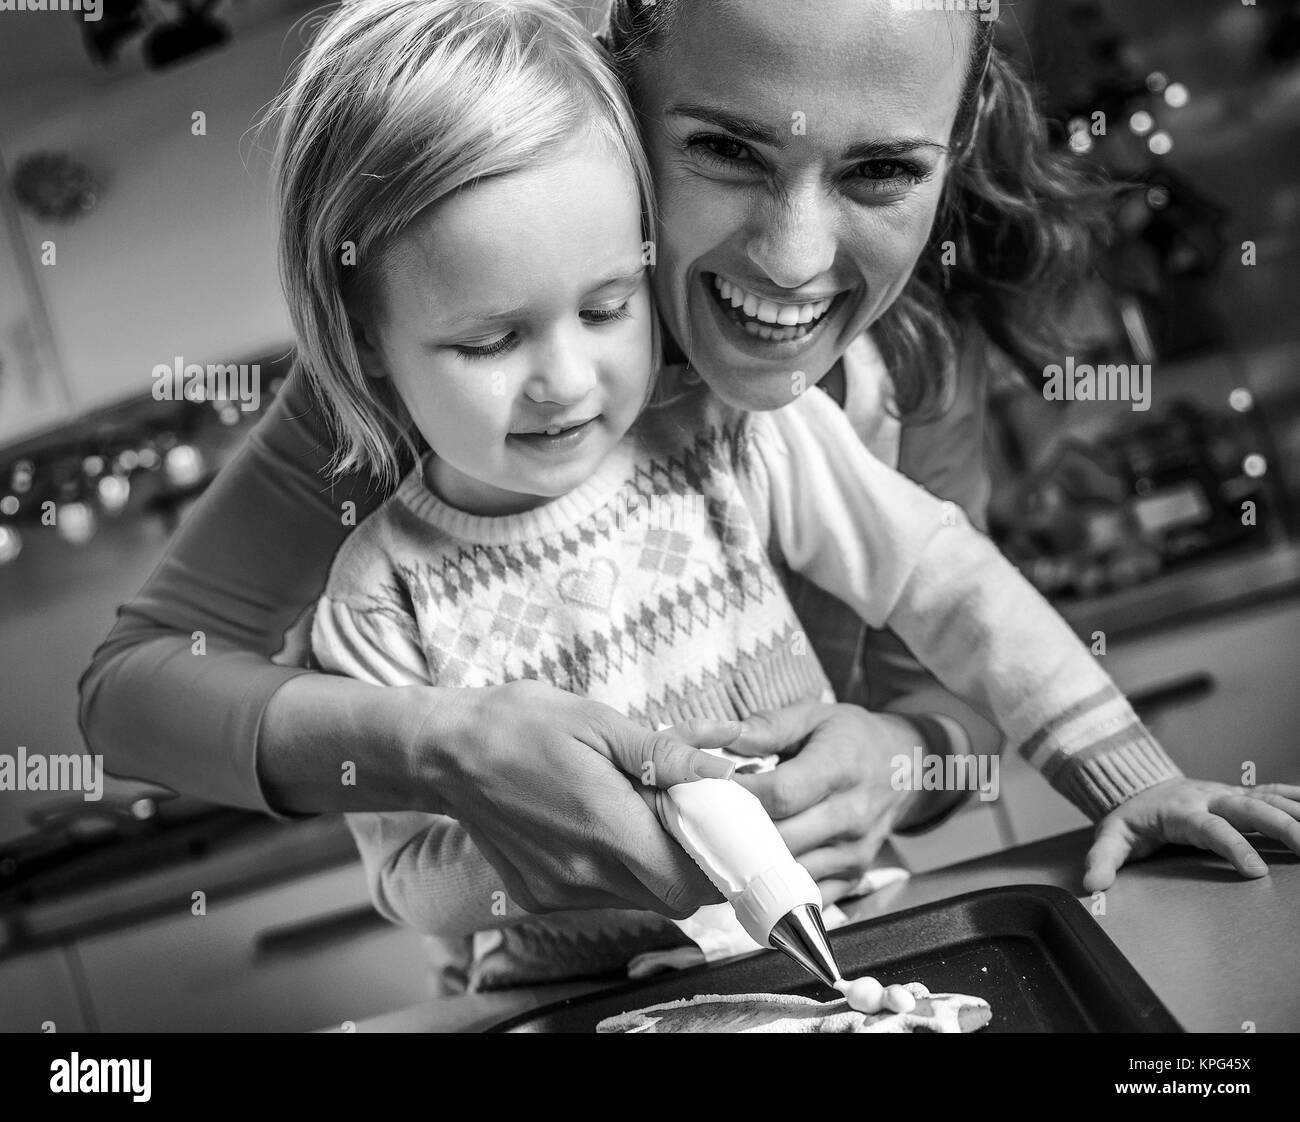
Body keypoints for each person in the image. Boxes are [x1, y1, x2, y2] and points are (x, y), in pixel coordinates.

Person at [78, 0, 1300, 924]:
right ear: (621, 103)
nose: (790, 259)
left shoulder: (906, 367)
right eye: (725, 151)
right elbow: (131, 691)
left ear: (951, 144)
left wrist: (904, 759)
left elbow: (955, 643)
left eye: (880, 170)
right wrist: (441, 749)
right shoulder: (416, 390)